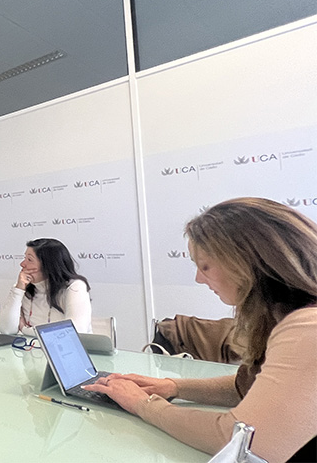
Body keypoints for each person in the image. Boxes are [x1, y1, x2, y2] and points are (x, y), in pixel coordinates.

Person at [83, 198, 317, 463]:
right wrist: (173, 386)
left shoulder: (306, 329)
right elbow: (249, 384)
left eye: (204, 266)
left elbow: (238, 440)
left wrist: (142, 405)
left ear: (244, 262)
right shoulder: (288, 318)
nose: (198, 278)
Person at [0, 238, 92, 335]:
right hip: (31, 344)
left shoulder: (75, 287)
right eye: (25, 258)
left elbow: (75, 332)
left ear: (48, 265)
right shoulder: (23, 287)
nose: (22, 264)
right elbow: (7, 330)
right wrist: (18, 290)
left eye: (29, 260)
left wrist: (24, 329)